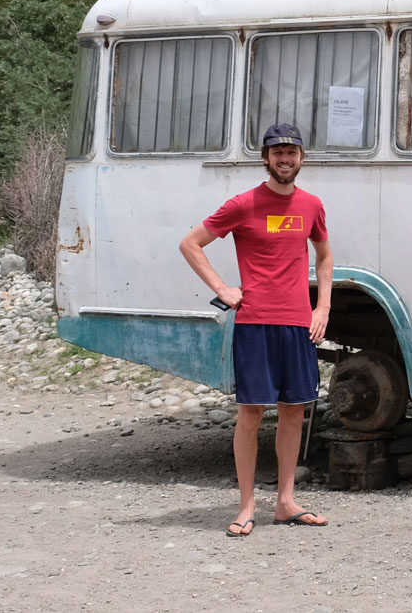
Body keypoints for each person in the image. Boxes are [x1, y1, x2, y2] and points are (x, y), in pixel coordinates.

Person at [179, 123, 333, 537]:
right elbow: (191, 244)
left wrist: (323, 307)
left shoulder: (312, 205)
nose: (285, 159)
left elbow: (324, 257)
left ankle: (285, 502)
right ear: (265, 159)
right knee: (250, 414)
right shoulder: (243, 204)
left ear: (302, 158)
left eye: (292, 152)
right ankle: (247, 505)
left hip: (298, 324)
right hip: (254, 323)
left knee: (294, 411)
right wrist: (223, 289)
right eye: (277, 152)